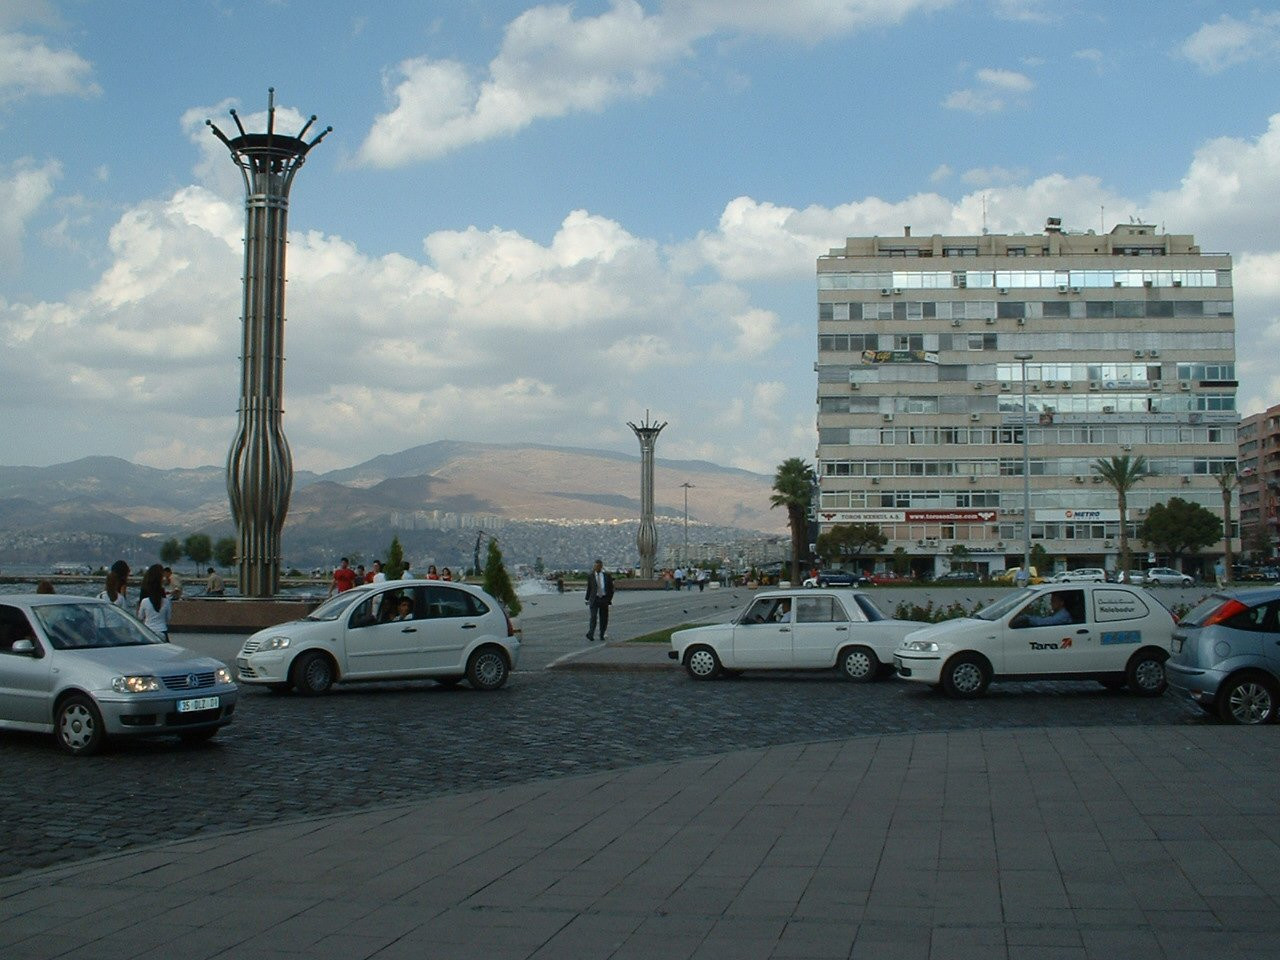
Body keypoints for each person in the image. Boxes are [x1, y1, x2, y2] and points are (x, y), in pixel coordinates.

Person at [137, 563, 172, 640]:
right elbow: (168, 618)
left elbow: (140, 617)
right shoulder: (166, 601)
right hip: (162, 630)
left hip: (148, 630)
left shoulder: (144, 597)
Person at [584, 559, 614, 642]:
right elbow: (589, 588)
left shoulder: (607, 576)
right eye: (595, 566)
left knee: (604, 618)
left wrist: (609, 599)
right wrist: (587, 599)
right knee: (593, 617)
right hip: (594, 599)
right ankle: (591, 633)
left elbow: (611, 588)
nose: (596, 568)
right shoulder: (591, 576)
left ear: (601, 567)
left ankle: (602, 634)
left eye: (598, 566)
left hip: (604, 599)